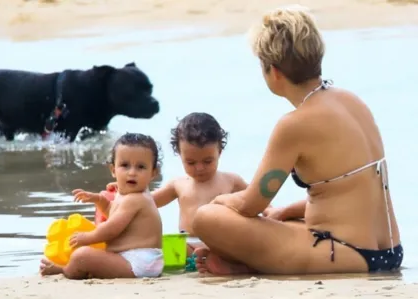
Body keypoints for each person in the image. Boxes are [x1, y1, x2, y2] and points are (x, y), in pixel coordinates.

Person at [192, 5, 403, 275]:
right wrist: (282, 212)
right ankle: (242, 261)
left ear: (274, 72)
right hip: (389, 250)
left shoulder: (294, 124)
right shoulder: (352, 101)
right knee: (275, 218)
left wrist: (220, 201)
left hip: (346, 252)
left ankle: (246, 265)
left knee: (207, 218)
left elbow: (250, 204)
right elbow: (350, 192)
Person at [107, 112, 248, 256]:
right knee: (158, 246)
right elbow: (145, 201)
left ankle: (217, 260)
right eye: (191, 162)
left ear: (219, 152)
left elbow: (256, 199)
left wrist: (269, 211)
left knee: (238, 245)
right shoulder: (178, 184)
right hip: (187, 244)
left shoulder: (232, 181)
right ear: (180, 154)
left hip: (220, 244)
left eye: (207, 161)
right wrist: (124, 188)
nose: (199, 168)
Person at [39, 132, 164, 279]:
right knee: (91, 256)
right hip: (135, 259)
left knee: (82, 255)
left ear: (153, 173)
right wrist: (99, 200)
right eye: (125, 165)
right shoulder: (128, 195)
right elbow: (112, 212)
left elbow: (111, 229)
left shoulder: (136, 199)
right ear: (113, 170)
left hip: (139, 262)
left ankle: (65, 270)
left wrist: (88, 237)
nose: (132, 173)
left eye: (141, 167)